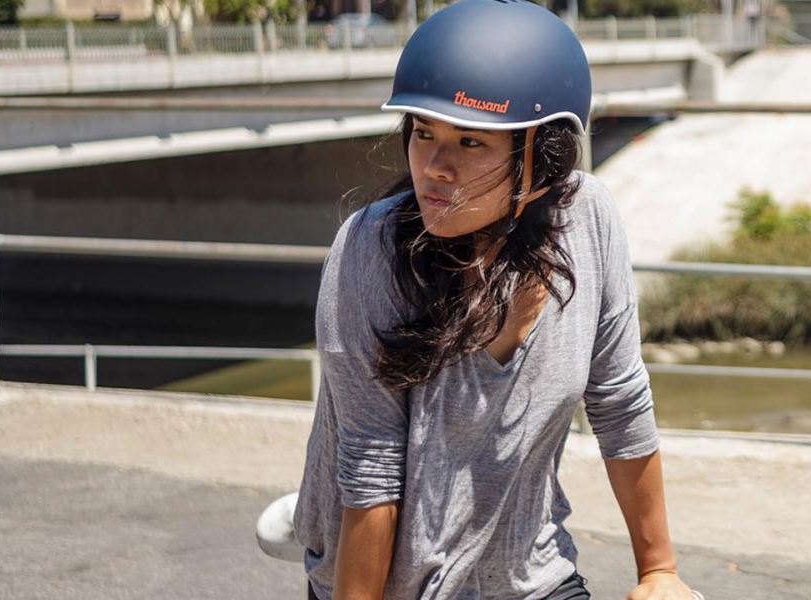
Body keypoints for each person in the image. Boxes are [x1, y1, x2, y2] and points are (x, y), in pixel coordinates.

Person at [292, 1, 701, 599]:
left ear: (544, 157)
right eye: (423, 133)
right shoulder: (368, 249)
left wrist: (659, 570)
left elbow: (618, 399)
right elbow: (371, 462)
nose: (435, 167)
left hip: (531, 575)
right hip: (392, 584)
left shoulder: (587, 222)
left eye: (471, 142)